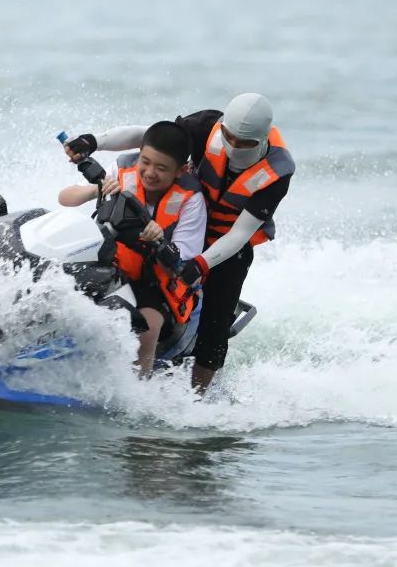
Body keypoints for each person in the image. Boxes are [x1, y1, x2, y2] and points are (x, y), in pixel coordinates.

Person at [63, 93, 294, 394]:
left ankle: (196, 400)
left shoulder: (278, 170)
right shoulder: (205, 126)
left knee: (216, 324)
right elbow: (152, 138)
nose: (234, 147)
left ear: (262, 138)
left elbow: (240, 234)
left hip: (226, 245)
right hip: (173, 228)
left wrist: (198, 265)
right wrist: (95, 142)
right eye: (230, 138)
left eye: (245, 143)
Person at [58, 121, 207, 378]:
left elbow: (184, 258)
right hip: (109, 266)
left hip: (154, 284)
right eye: (145, 162)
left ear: (180, 170)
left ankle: (138, 390)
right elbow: (65, 198)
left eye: (161, 168)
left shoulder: (192, 200)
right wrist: (98, 190)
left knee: (146, 326)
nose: (149, 172)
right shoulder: (122, 170)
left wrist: (161, 240)